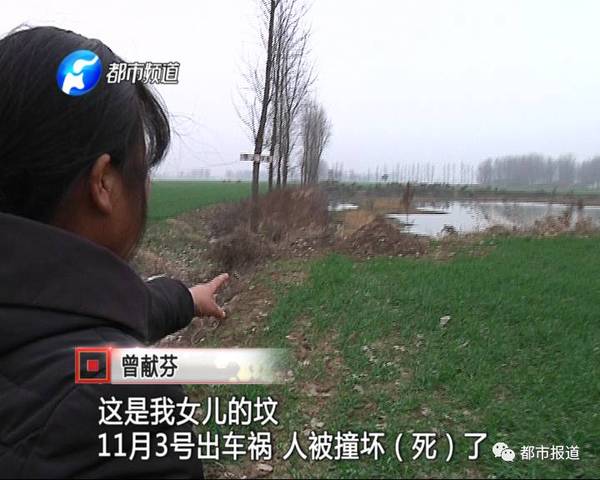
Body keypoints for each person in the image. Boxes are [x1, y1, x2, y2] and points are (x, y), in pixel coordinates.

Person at [0, 26, 226, 478]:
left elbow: (70, 308)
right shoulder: (121, 405)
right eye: (143, 169)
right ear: (103, 182)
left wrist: (186, 299)